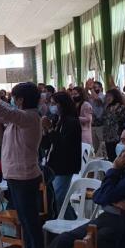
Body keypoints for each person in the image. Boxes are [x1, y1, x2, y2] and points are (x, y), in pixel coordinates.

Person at [0, 75, 45, 248]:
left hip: (25, 178)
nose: (11, 100)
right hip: (16, 177)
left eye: (13, 97)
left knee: (31, 224)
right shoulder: (18, 118)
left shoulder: (29, 117)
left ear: (20, 100)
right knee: (25, 224)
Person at [41, 92, 82, 220]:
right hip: (53, 163)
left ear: (63, 105)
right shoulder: (56, 119)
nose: (52, 106)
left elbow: (63, 144)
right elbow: (47, 144)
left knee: (59, 199)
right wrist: (45, 131)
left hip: (65, 165)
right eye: (50, 103)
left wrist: (50, 130)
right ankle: (73, 223)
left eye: (54, 103)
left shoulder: (72, 122)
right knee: (59, 199)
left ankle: (72, 224)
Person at [102, 89, 125, 161]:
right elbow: (104, 120)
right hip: (108, 137)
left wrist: (113, 111)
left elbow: (120, 120)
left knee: (120, 158)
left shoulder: (122, 108)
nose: (107, 98)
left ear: (115, 96)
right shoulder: (107, 108)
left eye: (110, 96)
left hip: (118, 136)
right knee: (111, 158)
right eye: (106, 96)